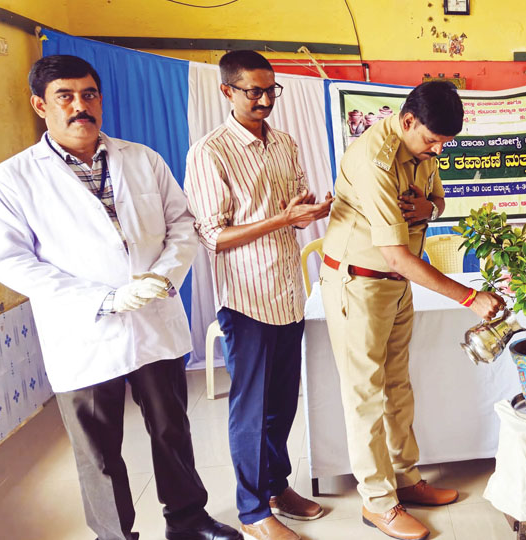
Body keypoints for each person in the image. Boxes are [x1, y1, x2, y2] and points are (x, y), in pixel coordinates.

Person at [0, 55, 240, 540]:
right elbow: (13, 262)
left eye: (89, 95)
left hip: (153, 319)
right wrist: (103, 300)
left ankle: (187, 521)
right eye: (66, 97)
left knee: (172, 433)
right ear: (41, 105)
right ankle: (114, 535)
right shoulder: (13, 179)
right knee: (97, 450)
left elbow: (182, 225)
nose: (80, 106)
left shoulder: (142, 158)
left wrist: (162, 278)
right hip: (83, 332)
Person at [319, 80, 503, 540]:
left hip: (397, 286)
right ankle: (378, 503)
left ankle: (406, 478)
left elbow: (436, 202)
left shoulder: (424, 148)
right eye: (432, 140)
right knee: (364, 394)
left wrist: (429, 206)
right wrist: (469, 296)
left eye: (445, 143)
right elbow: (398, 254)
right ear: (407, 121)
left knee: (397, 385)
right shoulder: (372, 160)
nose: (438, 150)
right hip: (360, 284)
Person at [184, 50, 332, 540]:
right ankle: (252, 513)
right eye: (255, 91)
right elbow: (214, 236)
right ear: (227, 91)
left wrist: (308, 209)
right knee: (250, 408)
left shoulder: (285, 143)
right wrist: (281, 220)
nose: (266, 99)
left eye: (272, 90)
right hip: (247, 299)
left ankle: (276, 487)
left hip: (289, 292)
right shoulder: (211, 152)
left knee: (283, 402)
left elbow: (295, 201)